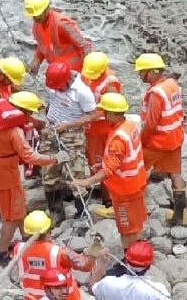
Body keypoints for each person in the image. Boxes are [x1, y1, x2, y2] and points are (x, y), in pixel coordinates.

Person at [0, 92, 70, 266]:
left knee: (17, 207)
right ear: (22, 111)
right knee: (10, 217)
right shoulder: (14, 132)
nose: (30, 117)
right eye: (29, 113)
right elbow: (30, 157)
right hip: (6, 178)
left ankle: (26, 236)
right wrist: (55, 158)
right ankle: (0, 253)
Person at [72, 93, 147, 250]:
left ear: (112, 113)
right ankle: (138, 251)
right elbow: (123, 157)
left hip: (124, 190)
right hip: (136, 182)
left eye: (105, 112)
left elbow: (110, 170)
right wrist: (102, 165)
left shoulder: (118, 138)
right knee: (136, 223)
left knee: (126, 229)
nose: (103, 115)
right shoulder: (130, 125)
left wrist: (86, 182)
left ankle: (130, 260)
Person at [133, 53, 187, 227]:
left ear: (150, 72)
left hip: (158, 141)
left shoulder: (156, 93)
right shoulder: (172, 85)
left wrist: (140, 141)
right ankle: (182, 215)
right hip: (174, 138)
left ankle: (132, 210)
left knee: (135, 170)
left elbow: (151, 123)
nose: (139, 75)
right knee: (176, 175)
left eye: (141, 72)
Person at [41, 62, 99, 224]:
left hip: (72, 136)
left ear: (67, 80)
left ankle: (82, 215)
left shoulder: (82, 92)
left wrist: (67, 125)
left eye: (60, 87)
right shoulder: (53, 83)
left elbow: (92, 115)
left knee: (75, 174)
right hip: (50, 131)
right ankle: (56, 212)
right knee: (49, 173)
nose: (58, 90)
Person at [0, 57, 42, 177]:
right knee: (28, 133)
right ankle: (29, 169)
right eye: (10, 81)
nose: (10, 84)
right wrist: (31, 121)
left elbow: (9, 87)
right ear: (2, 75)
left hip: (0, 112)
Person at [13, 211, 94, 300]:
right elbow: (86, 266)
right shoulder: (58, 252)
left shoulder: (19, 249)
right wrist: (94, 250)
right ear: (49, 231)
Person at [81, 52, 122, 218]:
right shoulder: (87, 75)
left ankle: (110, 202)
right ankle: (107, 197)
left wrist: (87, 117)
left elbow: (113, 110)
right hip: (92, 130)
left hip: (104, 130)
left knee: (105, 164)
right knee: (94, 163)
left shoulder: (110, 85)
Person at [25, 0, 92, 75]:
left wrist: (89, 70)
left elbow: (84, 45)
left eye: (38, 14)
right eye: (33, 15)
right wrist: (37, 60)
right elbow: (43, 45)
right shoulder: (37, 25)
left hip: (76, 72)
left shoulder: (61, 23)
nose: (35, 18)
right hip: (58, 74)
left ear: (47, 9)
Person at [88, 241, 170, 299]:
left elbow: (91, 288)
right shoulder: (157, 291)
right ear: (148, 266)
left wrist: (101, 262)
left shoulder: (108, 283)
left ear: (126, 262)